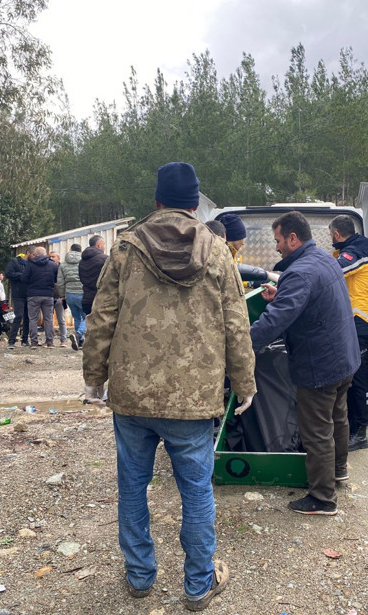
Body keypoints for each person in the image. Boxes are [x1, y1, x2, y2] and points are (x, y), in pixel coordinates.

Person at [82, 162, 256, 611]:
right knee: (196, 491)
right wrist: (245, 382)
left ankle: (139, 575)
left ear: (157, 200)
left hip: (133, 396)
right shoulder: (217, 251)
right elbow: (236, 324)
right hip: (193, 399)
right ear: (195, 204)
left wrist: (94, 379)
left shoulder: (126, 248)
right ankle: (198, 585)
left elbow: (101, 318)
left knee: (132, 486)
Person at [250, 211, 360, 515]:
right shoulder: (324, 259)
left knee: (317, 431)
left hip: (319, 365)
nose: (276, 247)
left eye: (278, 240)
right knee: (338, 417)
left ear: (292, 238)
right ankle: (338, 470)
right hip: (344, 359)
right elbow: (311, 298)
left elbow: (274, 322)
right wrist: (282, 294)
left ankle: (323, 498)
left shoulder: (299, 273)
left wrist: (241, 345)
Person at [327, 215, 368, 452]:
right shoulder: (354, 249)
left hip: (359, 326)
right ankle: (350, 427)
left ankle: (360, 431)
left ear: (336, 234)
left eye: (331, 235)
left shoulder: (354, 253)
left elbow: (332, 272)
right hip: (351, 325)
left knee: (359, 380)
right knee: (348, 379)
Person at [206, 220, 279, 286]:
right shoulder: (213, 259)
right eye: (241, 238)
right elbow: (232, 269)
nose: (243, 243)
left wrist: (251, 283)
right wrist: (266, 275)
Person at [21, 246, 59, 348]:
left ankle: (34, 342)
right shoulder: (53, 265)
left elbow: (23, 279)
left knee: (33, 319)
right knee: (48, 319)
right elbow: (56, 279)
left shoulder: (30, 264)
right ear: (45, 253)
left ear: (35, 254)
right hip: (48, 294)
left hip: (33, 294)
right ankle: (50, 342)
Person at [58, 243, 86, 350]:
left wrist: (62, 295)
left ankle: (79, 341)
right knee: (87, 316)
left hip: (69, 293)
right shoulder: (84, 262)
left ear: (70, 250)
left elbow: (60, 281)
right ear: (80, 251)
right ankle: (78, 334)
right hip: (82, 292)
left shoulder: (63, 264)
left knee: (77, 317)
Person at [5, 252, 31, 348]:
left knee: (28, 317)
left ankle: (25, 340)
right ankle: (11, 341)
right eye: (33, 255)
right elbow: (8, 273)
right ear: (28, 253)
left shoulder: (32, 264)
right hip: (18, 294)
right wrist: (23, 275)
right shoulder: (15, 261)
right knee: (18, 316)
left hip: (30, 294)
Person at [79, 235, 108, 316]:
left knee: (89, 323)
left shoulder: (82, 261)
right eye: (104, 244)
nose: (104, 246)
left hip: (86, 299)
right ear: (99, 245)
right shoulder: (105, 259)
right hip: (101, 299)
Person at [49, 252, 68, 347]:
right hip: (49, 297)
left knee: (61, 319)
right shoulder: (47, 267)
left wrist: (64, 296)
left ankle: (63, 340)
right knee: (48, 320)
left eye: (53, 256)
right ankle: (49, 340)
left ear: (58, 258)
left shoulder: (63, 268)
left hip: (61, 297)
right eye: (50, 257)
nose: (51, 258)